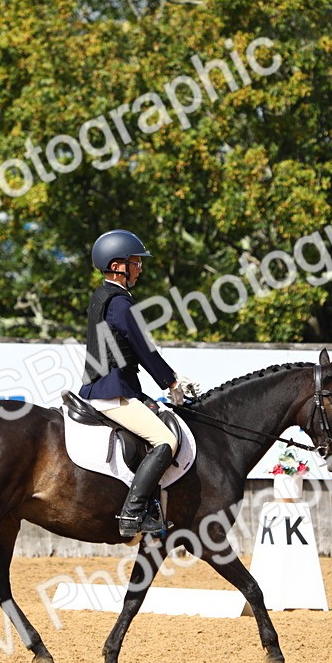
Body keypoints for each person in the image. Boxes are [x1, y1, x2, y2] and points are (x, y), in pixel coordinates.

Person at [78, 229, 200, 538]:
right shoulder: (119, 303)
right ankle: (133, 513)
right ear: (118, 265)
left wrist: (149, 394)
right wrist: (171, 382)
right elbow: (145, 349)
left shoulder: (101, 296)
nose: (140, 268)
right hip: (111, 392)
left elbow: (124, 352)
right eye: (136, 262)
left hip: (114, 386)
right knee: (166, 441)